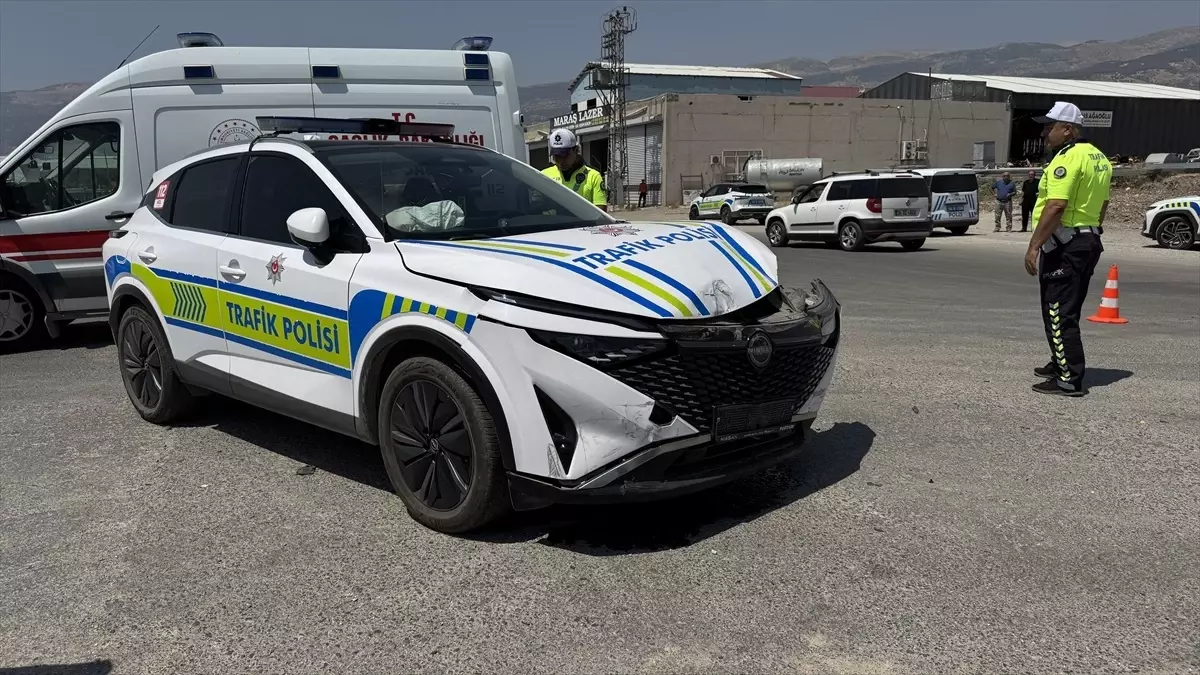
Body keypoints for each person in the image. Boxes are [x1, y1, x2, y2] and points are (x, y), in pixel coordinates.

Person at [1024, 101, 1112, 397]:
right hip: (1086, 240)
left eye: (1050, 127)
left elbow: (1056, 205)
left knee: (1058, 310)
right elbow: (1103, 204)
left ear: (1068, 130)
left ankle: (1069, 378)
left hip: (1066, 244)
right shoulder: (1098, 157)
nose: (1044, 132)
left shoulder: (1067, 159)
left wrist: (1034, 246)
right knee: (1063, 307)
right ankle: (1059, 361)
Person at [541, 128, 607, 212]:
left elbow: (601, 214)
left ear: (576, 150)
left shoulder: (593, 176)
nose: (561, 161)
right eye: (557, 156)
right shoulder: (543, 176)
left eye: (565, 155)